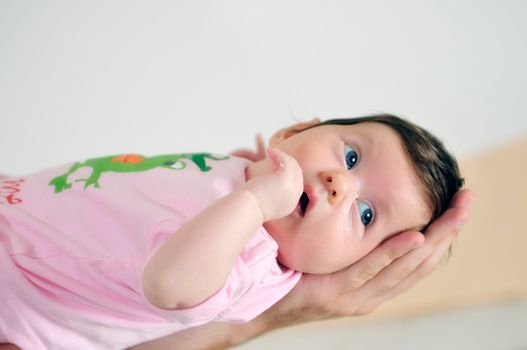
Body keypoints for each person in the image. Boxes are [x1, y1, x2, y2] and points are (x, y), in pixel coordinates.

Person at [0, 114, 469, 349]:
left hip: (16, 296)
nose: (339, 184)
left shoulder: (253, 267)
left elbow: (169, 287)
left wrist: (254, 204)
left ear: (348, 267)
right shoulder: (243, 171)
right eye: (349, 156)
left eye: (365, 215)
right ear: (294, 132)